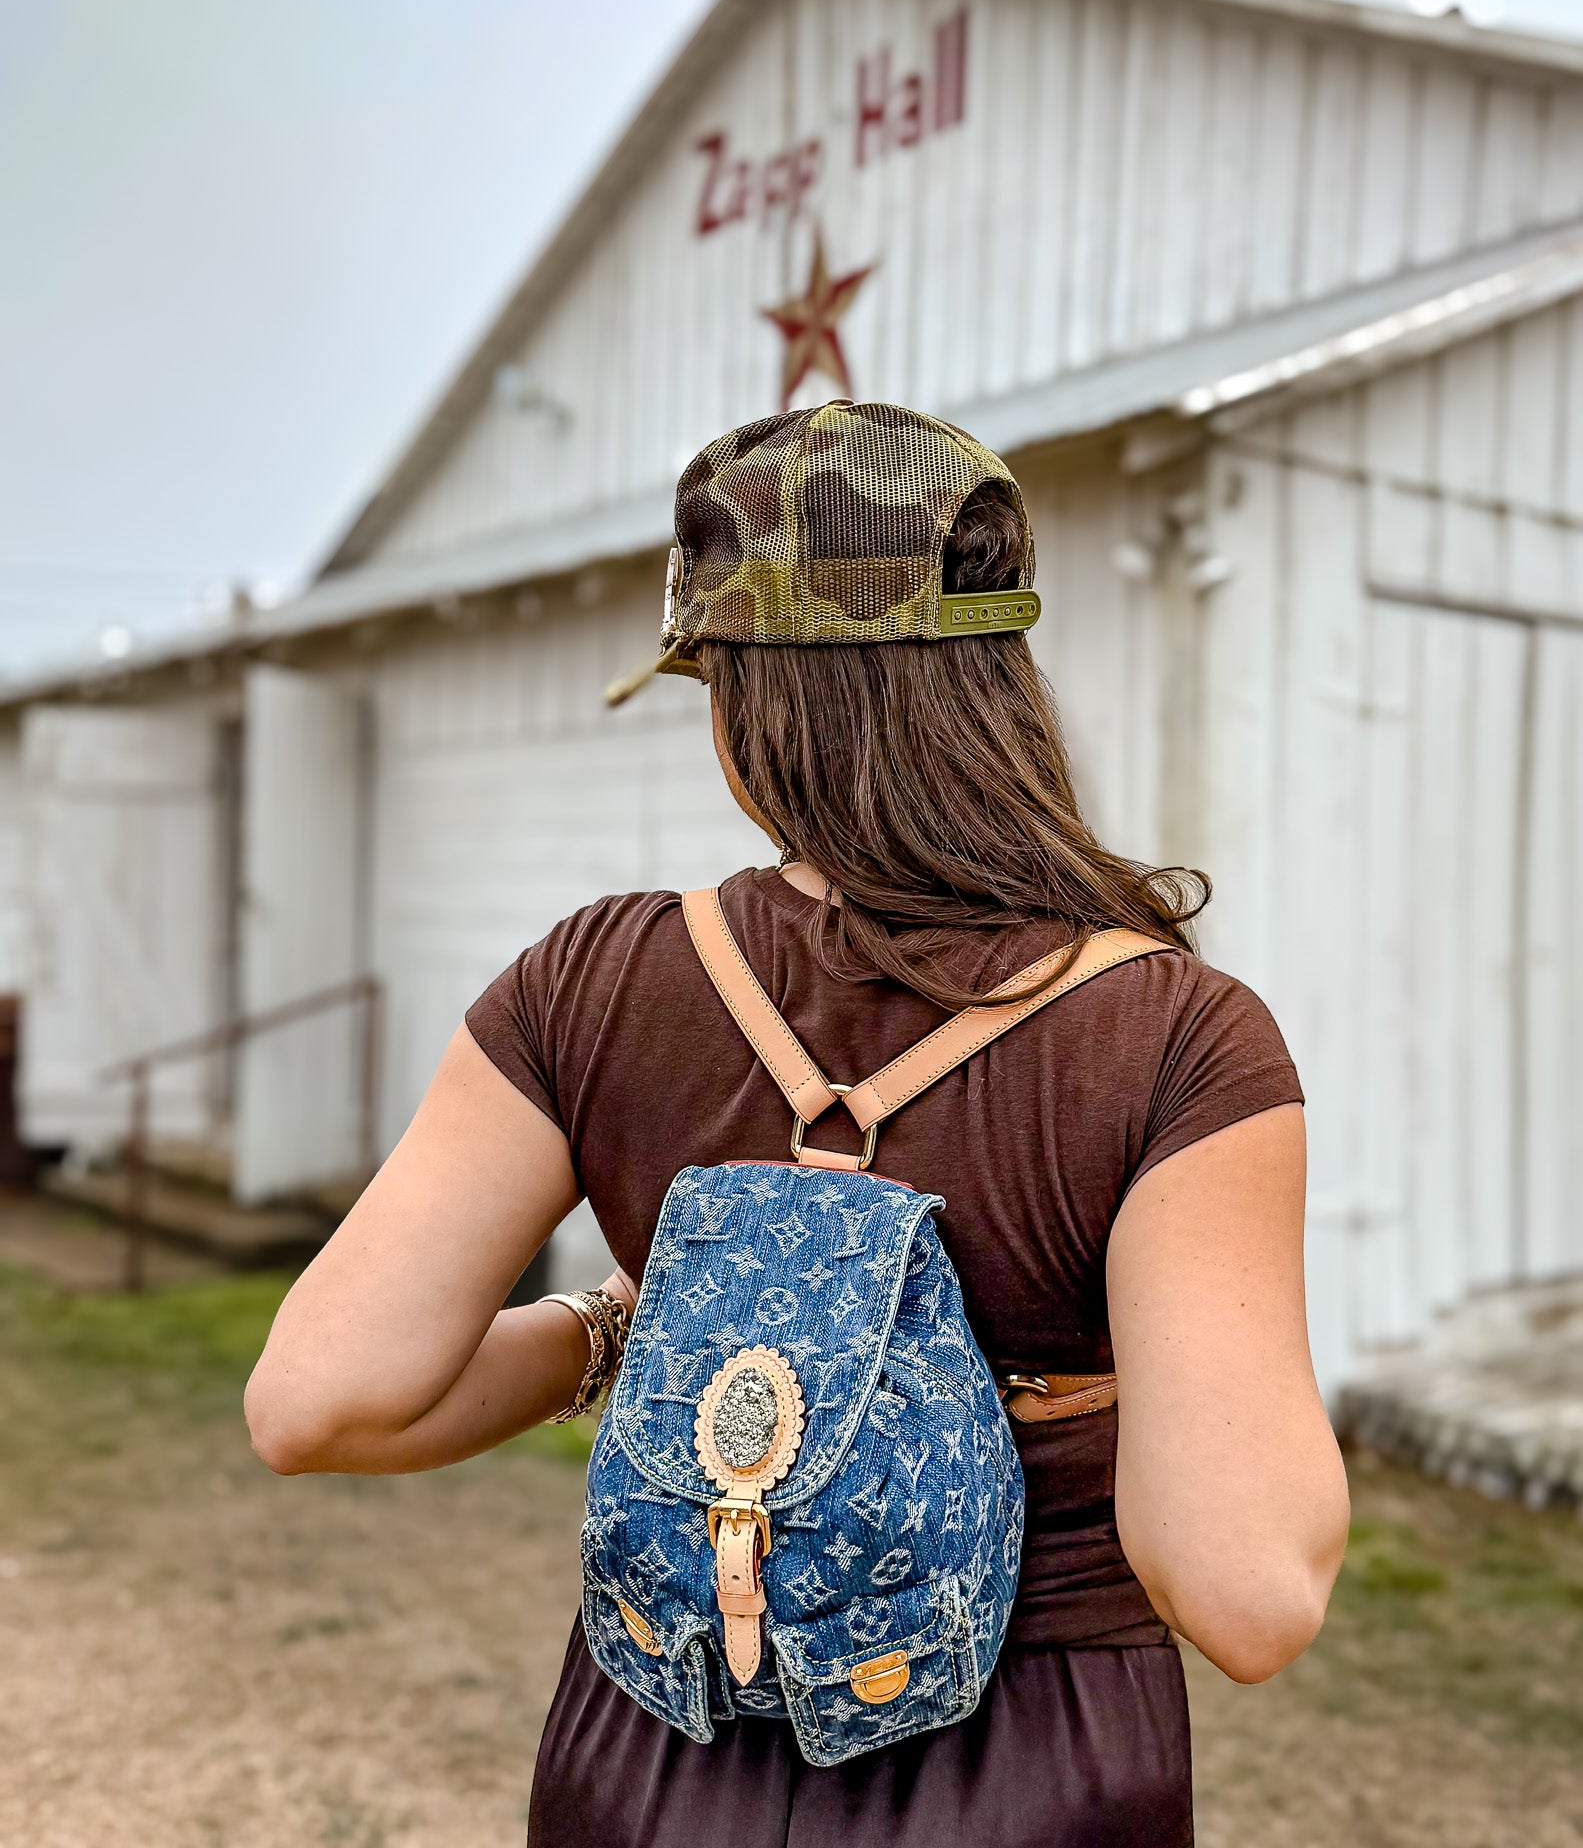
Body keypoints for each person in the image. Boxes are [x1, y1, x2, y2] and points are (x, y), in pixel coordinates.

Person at [246, 401, 1349, 1847]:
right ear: (1003, 680)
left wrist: (619, 1328)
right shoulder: (1173, 1038)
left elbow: (319, 1401)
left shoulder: (597, 978)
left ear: (743, 703)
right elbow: (1250, 1593)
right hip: (1030, 1771)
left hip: (658, 1747)